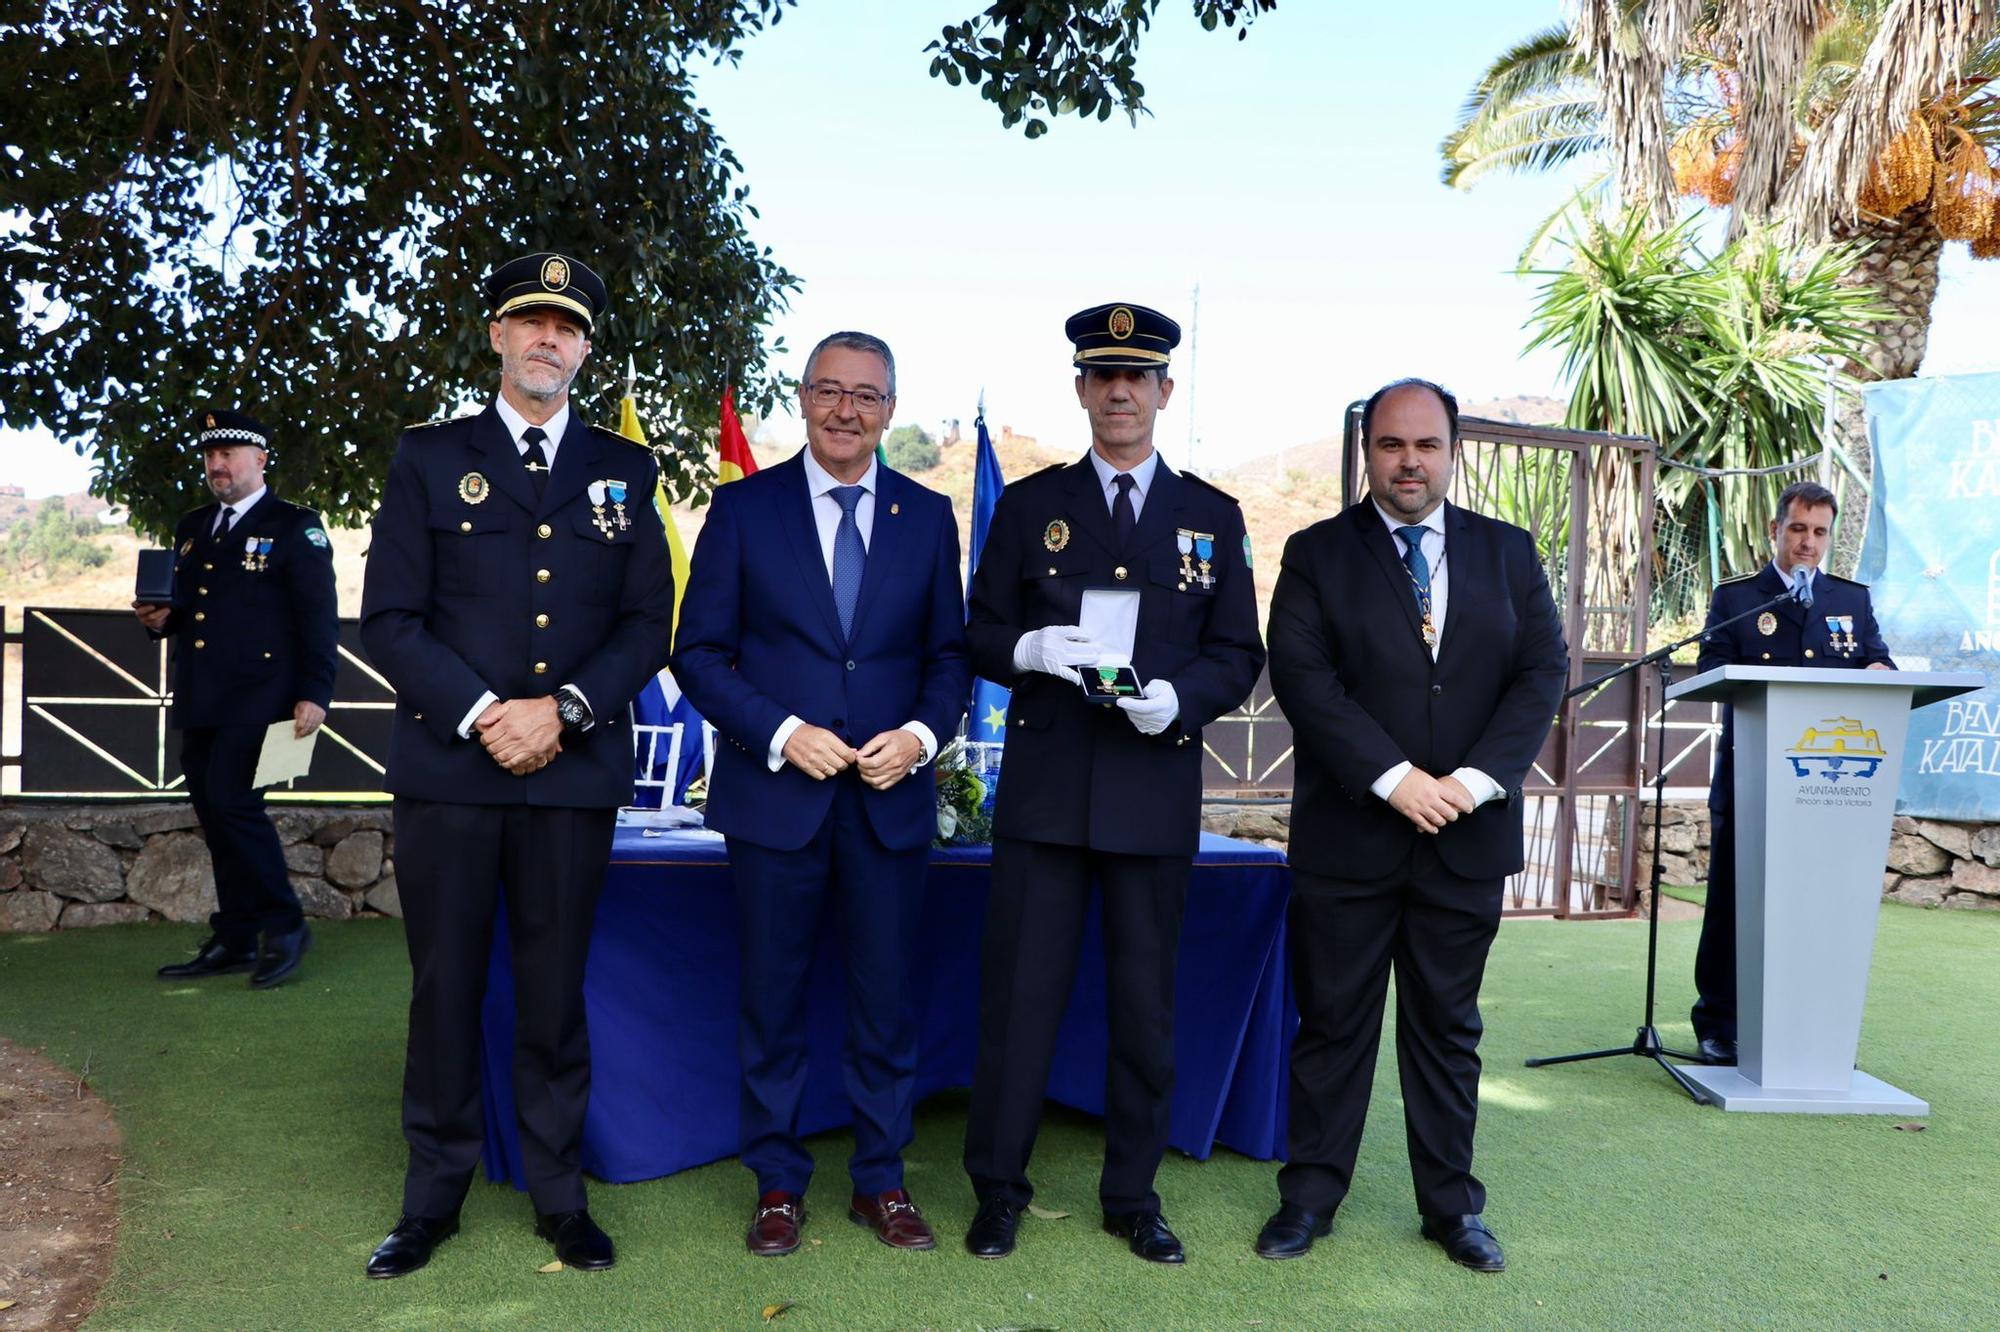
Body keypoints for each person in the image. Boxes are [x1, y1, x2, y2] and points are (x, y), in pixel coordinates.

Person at [357, 252, 673, 1278]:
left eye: (567, 325)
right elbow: (390, 618)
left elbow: (644, 624)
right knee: (443, 988)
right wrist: (491, 712)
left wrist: (565, 713)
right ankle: (431, 1197)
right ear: (496, 335)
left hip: (569, 775)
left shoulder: (628, 472)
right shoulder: (424, 456)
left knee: (553, 991)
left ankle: (557, 1196)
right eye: (529, 320)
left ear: (585, 348)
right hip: (452, 773)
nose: (548, 337)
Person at [960, 302, 1265, 1264]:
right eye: (1104, 376)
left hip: (1150, 790)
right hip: (1049, 796)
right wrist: (1031, 648)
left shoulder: (1211, 517)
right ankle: (998, 1189)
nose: (1121, 392)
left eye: (1139, 378)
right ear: (1082, 389)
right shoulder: (1029, 506)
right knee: (1020, 1003)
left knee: (1146, 1009)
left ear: (1165, 392)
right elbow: (975, 634)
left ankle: (1132, 1195)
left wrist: (1181, 700)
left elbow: (1238, 653)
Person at [1257, 378, 1567, 1273]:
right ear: (1367, 451)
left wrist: (1469, 783)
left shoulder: (1508, 553)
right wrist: (1394, 780)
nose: (1409, 462)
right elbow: (1305, 680)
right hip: (1351, 838)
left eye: (1425, 445)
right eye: (1392, 445)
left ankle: (1451, 1210)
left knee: (1447, 1031)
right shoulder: (1318, 554)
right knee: (1332, 1028)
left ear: (1452, 449)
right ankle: (1308, 1200)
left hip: (1463, 840)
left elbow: (1540, 671)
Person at [671, 330, 969, 1258]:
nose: (847, 410)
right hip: (775, 802)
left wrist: (920, 739)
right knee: (772, 999)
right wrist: (781, 732)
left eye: (867, 395)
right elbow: (699, 654)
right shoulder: (743, 509)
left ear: (890, 407)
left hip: (889, 803)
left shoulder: (928, 517)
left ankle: (880, 1180)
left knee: (886, 1003)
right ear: (801, 398)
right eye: (830, 390)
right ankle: (776, 1182)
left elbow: (949, 657)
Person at [1690, 480, 1892, 1066]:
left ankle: (1811, 1024)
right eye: (1798, 529)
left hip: (1829, 791)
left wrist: (1878, 664)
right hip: (1752, 780)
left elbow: (1879, 658)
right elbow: (1709, 666)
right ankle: (1720, 1023)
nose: (1808, 543)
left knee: (1819, 903)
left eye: (1820, 532)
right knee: (1733, 902)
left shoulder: (1850, 600)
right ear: (1775, 529)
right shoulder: (1739, 598)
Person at [135, 409, 338, 989]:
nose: (218, 465)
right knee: (214, 814)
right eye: (210, 455)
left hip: (262, 695)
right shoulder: (194, 525)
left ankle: (285, 925)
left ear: (260, 459)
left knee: (234, 804)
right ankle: (234, 936)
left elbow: (318, 619)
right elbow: (192, 615)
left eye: (229, 454)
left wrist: (315, 691)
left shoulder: (296, 527)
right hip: (202, 693)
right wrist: (158, 620)